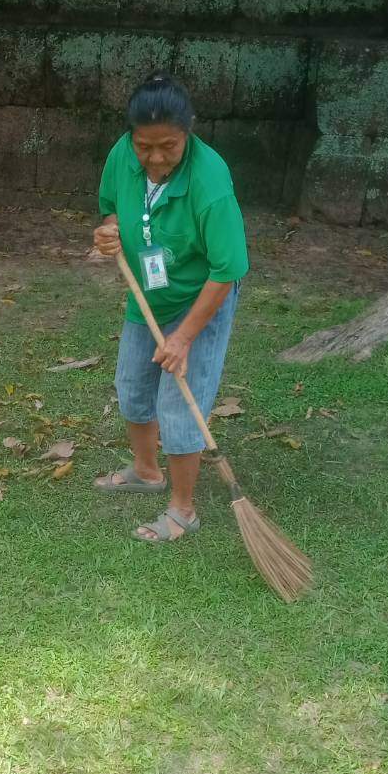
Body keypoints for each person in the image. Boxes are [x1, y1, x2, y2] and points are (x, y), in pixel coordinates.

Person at [93, 71, 249, 543]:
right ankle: (147, 470)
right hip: (149, 294)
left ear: (189, 133)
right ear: (130, 137)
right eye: (145, 146)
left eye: (169, 147)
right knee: (133, 386)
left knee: (181, 403)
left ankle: (183, 509)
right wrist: (108, 232)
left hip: (201, 299)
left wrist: (184, 337)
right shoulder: (122, 154)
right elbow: (111, 209)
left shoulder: (210, 181)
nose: (155, 158)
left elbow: (227, 269)